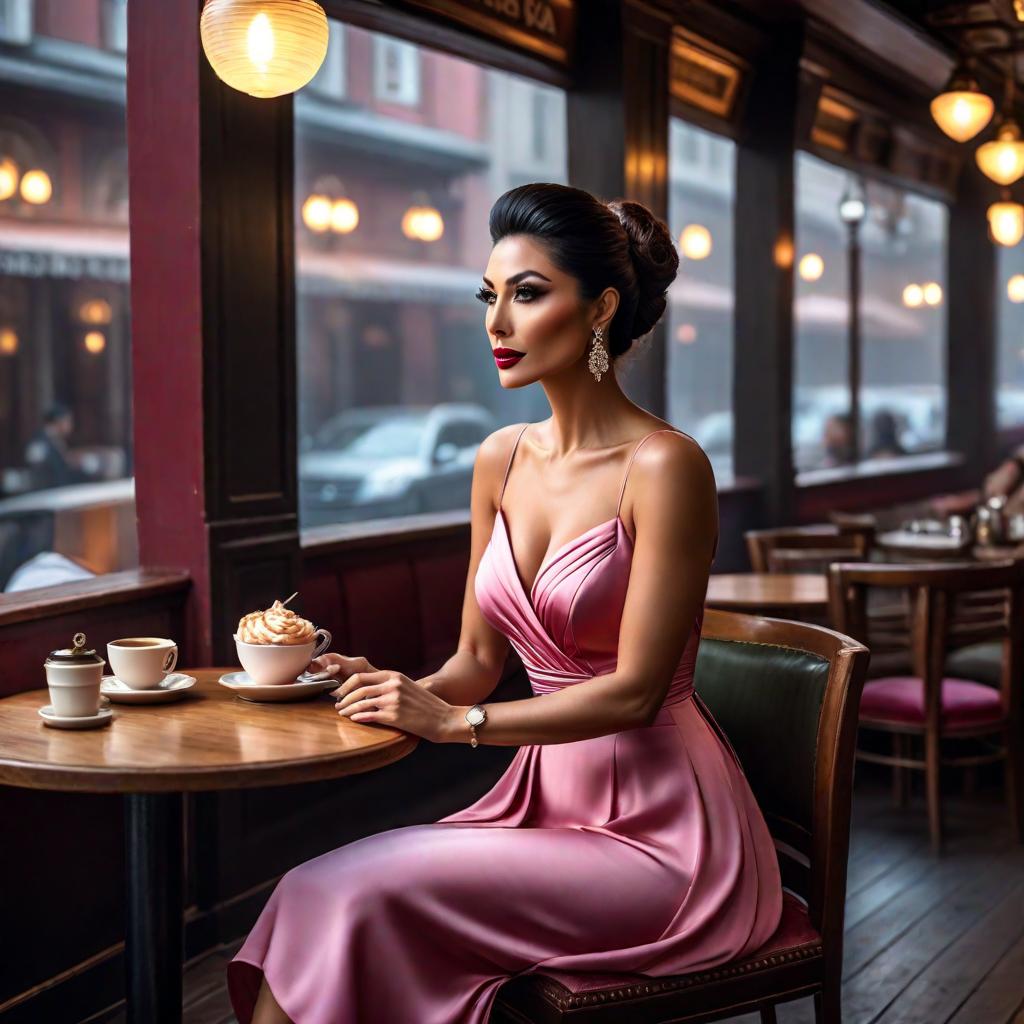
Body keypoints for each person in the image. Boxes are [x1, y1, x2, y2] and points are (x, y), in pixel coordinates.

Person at [226, 183, 783, 1024]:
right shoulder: (498, 458)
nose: (497, 323)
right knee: (320, 894)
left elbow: (636, 692)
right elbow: (477, 663)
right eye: (491, 296)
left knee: (341, 892)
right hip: (541, 803)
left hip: (661, 840)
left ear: (599, 308)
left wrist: (453, 726)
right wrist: (389, 688)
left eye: (528, 294)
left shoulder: (668, 467)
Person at [23, 402, 89, 491]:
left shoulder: (57, 440)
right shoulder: (39, 443)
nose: (70, 426)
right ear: (59, 421)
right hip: (48, 495)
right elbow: (38, 472)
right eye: (68, 421)